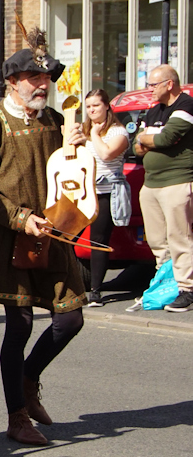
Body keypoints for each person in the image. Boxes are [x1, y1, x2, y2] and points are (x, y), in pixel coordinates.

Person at [0, 31, 86, 446]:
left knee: (70, 319)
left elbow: (68, 176)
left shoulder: (55, 121)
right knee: (20, 325)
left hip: (53, 233)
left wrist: (78, 150)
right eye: (34, 77)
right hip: (9, 238)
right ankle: (16, 416)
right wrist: (19, 217)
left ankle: (28, 379)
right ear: (13, 82)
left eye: (46, 77)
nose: (43, 84)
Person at [134, 64, 193, 312]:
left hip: (177, 182)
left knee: (180, 237)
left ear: (169, 84)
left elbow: (167, 138)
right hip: (151, 184)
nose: (149, 89)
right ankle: (166, 285)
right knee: (158, 241)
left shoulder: (186, 106)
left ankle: (187, 288)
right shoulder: (152, 111)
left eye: (153, 85)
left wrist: (148, 138)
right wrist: (149, 139)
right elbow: (136, 146)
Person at [82, 89, 129, 307]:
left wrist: (93, 134)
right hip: (85, 191)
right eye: (88, 106)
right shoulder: (85, 130)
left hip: (107, 191)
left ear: (107, 106)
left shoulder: (118, 132)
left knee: (98, 240)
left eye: (96, 106)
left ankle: (96, 291)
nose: (91, 110)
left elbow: (107, 154)